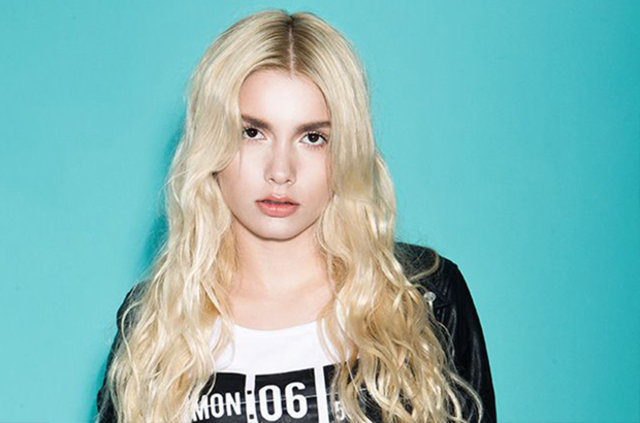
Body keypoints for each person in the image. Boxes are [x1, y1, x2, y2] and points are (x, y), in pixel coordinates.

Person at [96, 9, 495, 423]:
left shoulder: (422, 297)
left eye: (313, 137)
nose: (280, 171)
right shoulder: (155, 321)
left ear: (346, 150)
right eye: (252, 133)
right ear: (212, 142)